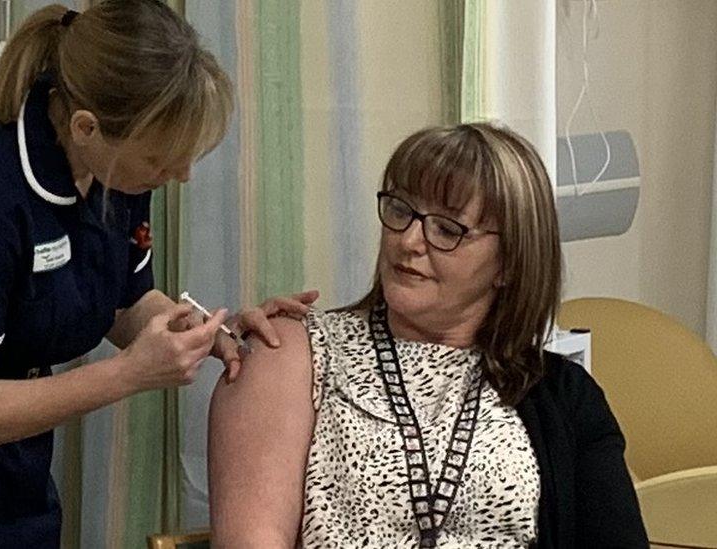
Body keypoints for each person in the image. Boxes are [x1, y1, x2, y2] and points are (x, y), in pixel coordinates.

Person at [0, 2, 316, 547]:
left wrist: (216, 331)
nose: (181, 175)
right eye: (161, 161)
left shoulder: (113, 175)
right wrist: (129, 375)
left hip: (12, 474)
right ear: (86, 126)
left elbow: (121, 304)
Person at [208, 123, 648, 548]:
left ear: (510, 263)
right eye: (401, 210)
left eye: (446, 228)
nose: (409, 240)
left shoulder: (564, 396)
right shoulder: (290, 350)